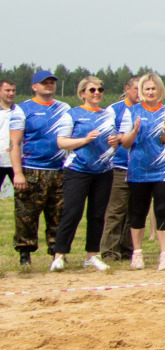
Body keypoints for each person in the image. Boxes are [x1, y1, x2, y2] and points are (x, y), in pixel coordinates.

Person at [114, 72, 165, 270]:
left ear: (159, 90)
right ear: (141, 91)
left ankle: (164, 255)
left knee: (161, 210)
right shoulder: (131, 111)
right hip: (138, 169)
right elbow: (125, 144)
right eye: (146, 89)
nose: (150, 92)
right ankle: (137, 253)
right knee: (138, 211)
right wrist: (134, 130)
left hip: (163, 169)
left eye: (153, 89)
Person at [51, 76, 115, 271]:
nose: (97, 93)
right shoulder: (72, 114)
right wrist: (85, 140)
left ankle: (91, 255)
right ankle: (59, 255)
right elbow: (62, 142)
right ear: (82, 94)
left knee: (97, 215)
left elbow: (112, 139)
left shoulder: (108, 115)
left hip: (103, 171)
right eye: (92, 90)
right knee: (72, 212)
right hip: (77, 170)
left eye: (100, 90)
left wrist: (115, 142)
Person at [10, 69, 73, 267]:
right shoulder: (22, 109)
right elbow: (15, 143)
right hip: (32, 169)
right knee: (26, 215)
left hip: (59, 169)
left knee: (59, 215)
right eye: (44, 82)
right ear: (34, 86)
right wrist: (18, 173)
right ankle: (25, 253)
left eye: (52, 82)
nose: (49, 85)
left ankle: (57, 253)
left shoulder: (64, 108)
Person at [100, 76, 142, 261]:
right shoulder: (114, 110)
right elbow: (105, 134)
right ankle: (109, 250)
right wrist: (120, 137)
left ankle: (128, 249)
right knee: (116, 211)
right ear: (127, 89)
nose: (140, 94)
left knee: (135, 211)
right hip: (119, 166)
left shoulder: (148, 109)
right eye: (136, 89)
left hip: (141, 168)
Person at [0, 79, 15, 195]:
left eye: (13, 90)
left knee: (22, 195)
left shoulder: (20, 111)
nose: (11, 93)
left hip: (15, 161)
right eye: (7, 90)